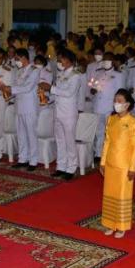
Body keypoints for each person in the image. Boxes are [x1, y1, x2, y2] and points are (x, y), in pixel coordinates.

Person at [100, 89, 135, 238]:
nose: (116, 103)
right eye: (115, 100)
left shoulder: (134, 122)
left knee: (122, 195)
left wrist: (132, 168)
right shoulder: (111, 119)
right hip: (111, 163)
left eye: (120, 101)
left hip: (124, 166)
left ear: (127, 104)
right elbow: (107, 141)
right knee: (110, 194)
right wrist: (103, 162)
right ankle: (110, 224)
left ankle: (122, 226)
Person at [0, 48, 40, 171]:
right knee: (21, 134)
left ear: (24, 58)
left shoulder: (34, 70)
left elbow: (27, 87)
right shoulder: (18, 71)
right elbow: (15, 87)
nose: (16, 61)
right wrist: (6, 90)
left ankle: (33, 161)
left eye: (17, 59)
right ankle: (23, 158)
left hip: (29, 106)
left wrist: (10, 89)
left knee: (31, 134)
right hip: (19, 105)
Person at [44, 49, 80, 180]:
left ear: (69, 60)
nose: (59, 62)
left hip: (69, 113)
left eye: (61, 59)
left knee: (69, 141)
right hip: (58, 111)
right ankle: (61, 166)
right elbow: (58, 94)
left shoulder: (75, 75)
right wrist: (49, 98)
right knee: (59, 140)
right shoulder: (60, 74)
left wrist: (51, 88)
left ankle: (71, 168)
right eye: (58, 60)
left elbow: (69, 92)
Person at [90, 52, 126, 159]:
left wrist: (117, 109)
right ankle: (98, 153)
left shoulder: (118, 75)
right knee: (99, 132)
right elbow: (95, 87)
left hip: (110, 108)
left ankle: (110, 154)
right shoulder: (98, 74)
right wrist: (93, 90)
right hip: (98, 106)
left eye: (108, 59)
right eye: (104, 59)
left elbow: (120, 93)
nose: (105, 61)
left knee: (110, 132)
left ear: (113, 61)